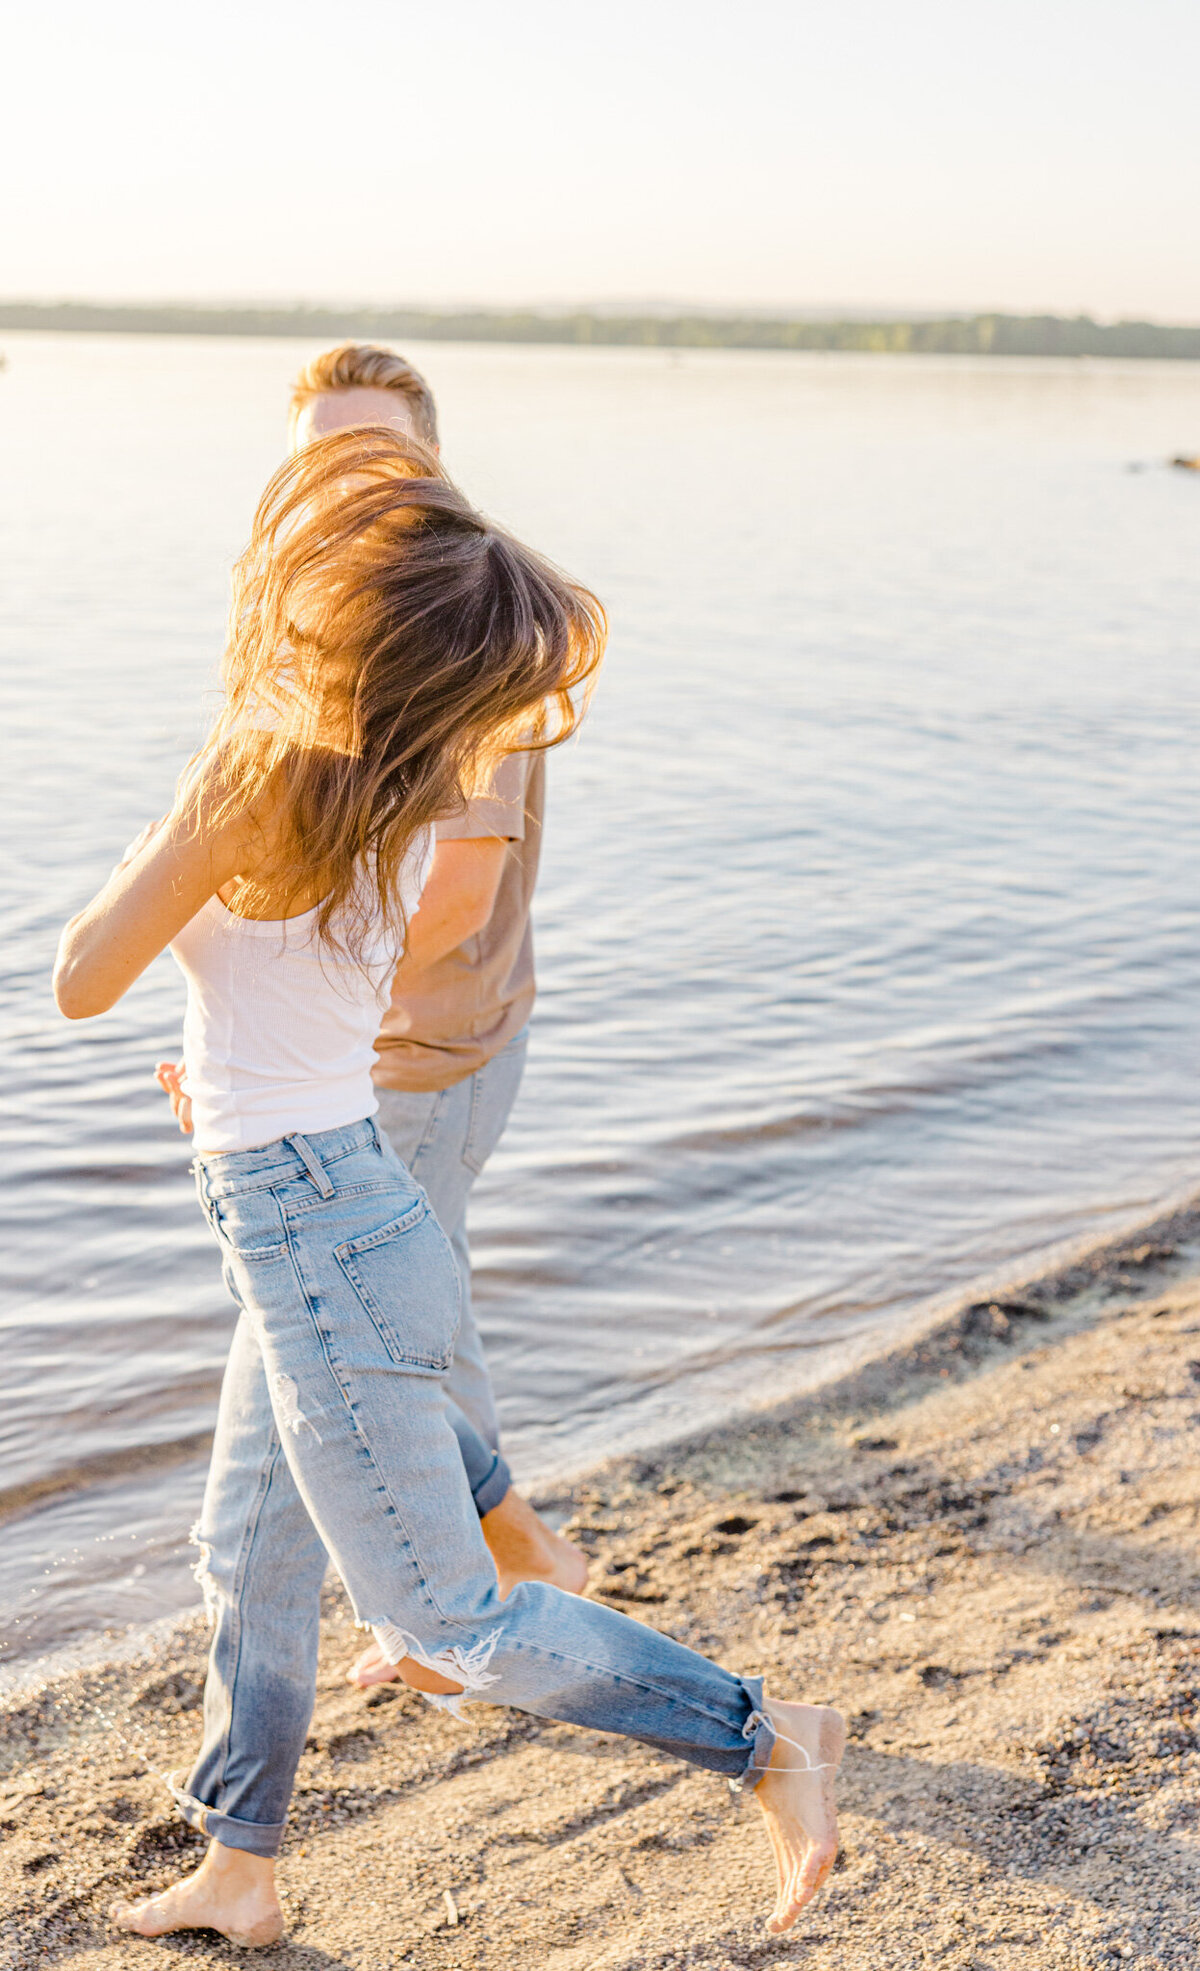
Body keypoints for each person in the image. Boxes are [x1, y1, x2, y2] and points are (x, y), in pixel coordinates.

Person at [55, 426, 843, 1948]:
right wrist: (217, 1095)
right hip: (330, 1202)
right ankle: (241, 1863)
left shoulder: (251, 780)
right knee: (246, 1540)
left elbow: (87, 976)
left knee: (444, 1625)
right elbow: (311, 1007)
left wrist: (184, 823)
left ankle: (766, 1735)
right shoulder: (413, 791)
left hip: (317, 1231)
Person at [156, 345, 586, 1681]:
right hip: (356, 1060)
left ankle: (451, 1599)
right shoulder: (315, 621)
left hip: (416, 1058)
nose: (344, 477)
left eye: (373, 448)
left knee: (338, 1354)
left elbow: (458, 891)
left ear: (428, 462)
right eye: (317, 454)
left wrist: (288, 1031)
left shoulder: (464, 630)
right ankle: (506, 1556)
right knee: (415, 1310)